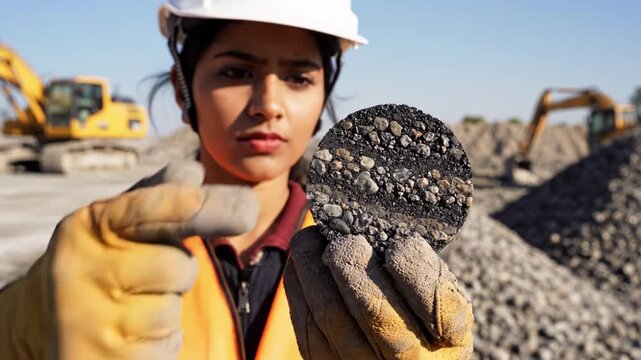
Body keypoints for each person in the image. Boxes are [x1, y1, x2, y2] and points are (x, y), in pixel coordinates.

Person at [0, 0, 474, 359]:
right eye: (236, 71)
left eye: (298, 78)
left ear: (323, 98)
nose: (268, 104)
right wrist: (24, 322)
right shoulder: (109, 250)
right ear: (184, 89)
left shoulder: (364, 256)